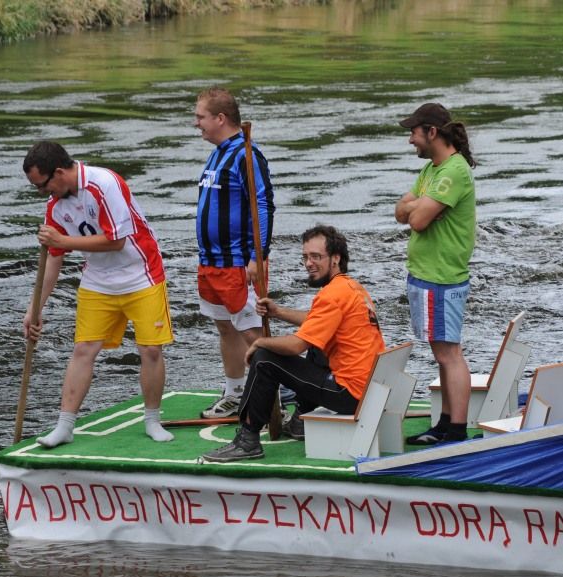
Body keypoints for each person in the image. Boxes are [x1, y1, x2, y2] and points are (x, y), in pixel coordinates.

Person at [21, 141, 175, 447]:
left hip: (140, 272)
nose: (42, 193)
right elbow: (53, 257)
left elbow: (116, 241)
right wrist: (35, 308)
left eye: (43, 185)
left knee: (151, 350)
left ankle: (152, 420)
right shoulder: (55, 205)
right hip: (98, 279)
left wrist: (65, 241)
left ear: (60, 172)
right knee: (83, 349)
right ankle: (64, 426)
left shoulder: (104, 184)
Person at [202, 225, 385, 462]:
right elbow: (316, 321)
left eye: (316, 257)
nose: (309, 263)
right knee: (317, 343)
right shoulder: (352, 288)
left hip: (350, 395)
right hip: (370, 389)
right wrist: (278, 312)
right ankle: (301, 419)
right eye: (306, 257)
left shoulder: (331, 295)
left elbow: (296, 346)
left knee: (265, 359)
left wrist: (260, 343)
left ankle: (248, 440)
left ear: (336, 258)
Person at [394, 102, 477, 444]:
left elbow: (416, 220)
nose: (410, 139)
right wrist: (420, 204)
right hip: (427, 276)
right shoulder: (432, 170)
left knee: (449, 352)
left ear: (432, 132)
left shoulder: (452, 172)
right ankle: (445, 423)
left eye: (414, 132)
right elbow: (401, 211)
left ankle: (456, 430)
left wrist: (419, 207)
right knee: (440, 351)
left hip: (441, 277)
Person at [193, 87, 275, 419]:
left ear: (220, 118)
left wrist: (258, 257)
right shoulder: (217, 153)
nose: (196, 123)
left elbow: (264, 207)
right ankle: (234, 391)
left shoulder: (246, 154)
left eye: (200, 117)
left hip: (237, 262)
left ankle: (276, 394)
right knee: (225, 326)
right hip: (210, 261)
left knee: (253, 331)